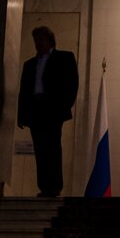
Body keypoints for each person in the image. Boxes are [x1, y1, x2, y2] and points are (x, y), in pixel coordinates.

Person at [17, 26, 79, 197]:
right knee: (40, 149)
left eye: (41, 39)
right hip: (35, 110)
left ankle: (55, 186)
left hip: (53, 109)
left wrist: (64, 106)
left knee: (53, 147)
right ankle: (44, 187)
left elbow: (72, 83)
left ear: (50, 41)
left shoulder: (64, 58)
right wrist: (21, 114)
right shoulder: (29, 64)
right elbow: (24, 91)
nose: (38, 43)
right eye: (36, 40)